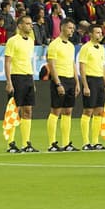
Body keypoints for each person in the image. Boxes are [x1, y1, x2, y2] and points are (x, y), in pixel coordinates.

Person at [3, 16, 37, 152]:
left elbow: (29, 61)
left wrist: (32, 80)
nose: (30, 26)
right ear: (20, 25)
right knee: (14, 110)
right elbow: (7, 62)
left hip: (28, 77)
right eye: (27, 24)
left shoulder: (31, 41)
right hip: (16, 77)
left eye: (31, 24)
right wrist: (9, 82)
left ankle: (26, 143)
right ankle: (11, 143)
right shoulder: (12, 41)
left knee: (28, 110)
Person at [46, 20, 78, 152]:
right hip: (60, 79)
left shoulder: (71, 46)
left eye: (73, 28)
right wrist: (58, 83)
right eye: (70, 28)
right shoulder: (54, 45)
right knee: (56, 110)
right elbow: (51, 65)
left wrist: (77, 82)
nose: (72, 30)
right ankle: (51, 143)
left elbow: (72, 64)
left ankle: (66, 143)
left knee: (68, 111)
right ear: (63, 28)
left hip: (70, 79)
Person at [76, 23, 105, 151]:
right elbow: (82, 68)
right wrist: (85, 85)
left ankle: (95, 142)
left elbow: (103, 68)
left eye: (101, 33)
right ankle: (86, 142)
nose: (100, 35)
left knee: (99, 111)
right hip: (90, 80)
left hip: (99, 80)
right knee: (88, 111)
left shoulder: (101, 48)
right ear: (90, 34)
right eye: (97, 32)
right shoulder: (85, 48)